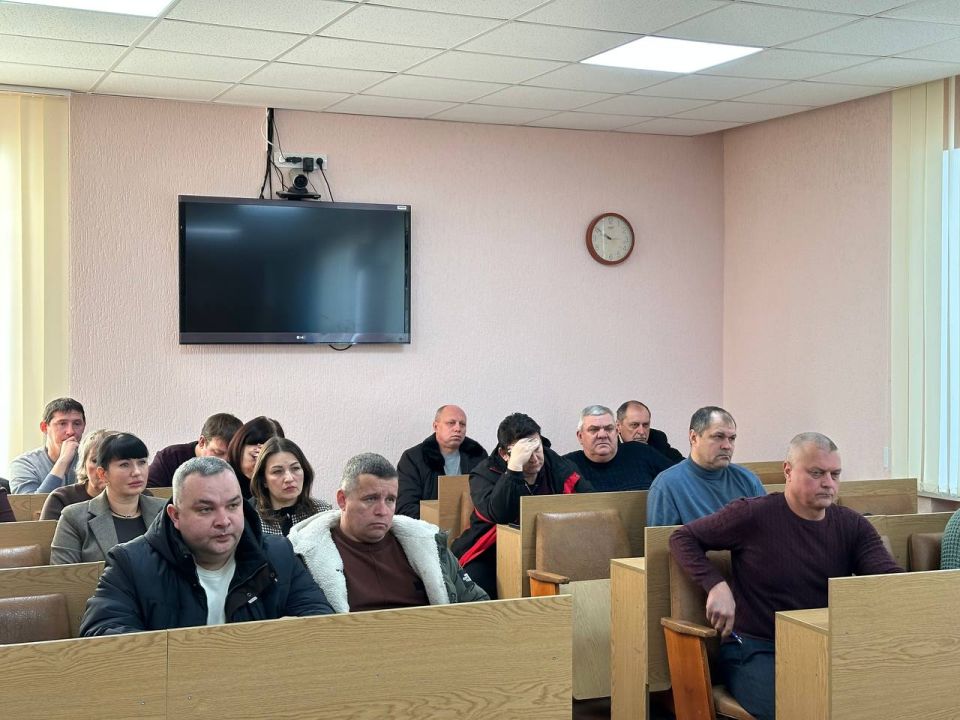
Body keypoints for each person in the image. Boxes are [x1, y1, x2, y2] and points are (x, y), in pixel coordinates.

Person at [669, 432, 902, 720]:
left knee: (880, 697)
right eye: (816, 473)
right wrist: (716, 585)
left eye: (835, 474)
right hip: (756, 648)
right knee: (797, 709)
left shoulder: (852, 525)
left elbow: (890, 580)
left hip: (824, 645)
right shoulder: (752, 514)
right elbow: (683, 538)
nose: (828, 483)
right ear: (788, 471)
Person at [79, 456, 333, 635]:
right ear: (175, 516)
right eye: (205, 509)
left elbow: (320, 620)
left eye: (233, 505)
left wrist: (288, 634)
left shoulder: (278, 554)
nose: (224, 521)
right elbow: (102, 633)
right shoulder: (130, 563)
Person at [289, 452, 488, 612]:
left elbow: (479, 605)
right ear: (342, 500)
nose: (382, 511)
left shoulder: (429, 544)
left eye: (390, 500)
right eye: (370, 499)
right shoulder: (305, 556)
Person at [451, 412, 591, 599]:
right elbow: (500, 514)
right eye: (525, 452)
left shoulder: (553, 462)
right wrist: (514, 469)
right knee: (477, 590)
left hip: (550, 545)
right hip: (491, 551)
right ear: (504, 454)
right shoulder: (483, 473)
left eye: (537, 448)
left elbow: (588, 499)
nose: (534, 458)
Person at [51, 432, 167, 564]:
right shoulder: (74, 517)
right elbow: (64, 574)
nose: (137, 472)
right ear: (103, 474)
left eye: (142, 462)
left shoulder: (165, 511)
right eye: (124, 464)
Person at [647, 406, 766, 526]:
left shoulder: (747, 479)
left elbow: (768, 529)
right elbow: (661, 537)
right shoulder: (667, 485)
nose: (727, 446)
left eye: (732, 438)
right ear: (693, 437)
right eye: (718, 437)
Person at [396, 404, 487, 519]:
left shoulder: (478, 456)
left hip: (471, 526)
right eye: (451, 423)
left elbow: (488, 500)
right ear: (436, 426)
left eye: (462, 424)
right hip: (428, 527)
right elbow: (405, 507)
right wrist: (438, 522)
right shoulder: (412, 459)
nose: (458, 428)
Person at [564, 405, 674, 492]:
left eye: (608, 429)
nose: (602, 435)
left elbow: (678, 478)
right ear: (580, 436)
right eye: (594, 429)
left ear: (617, 432)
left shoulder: (640, 452)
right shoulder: (567, 466)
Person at [250, 437, 332, 536]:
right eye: (277, 471)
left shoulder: (323, 512)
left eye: (295, 468)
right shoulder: (251, 519)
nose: (289, 478)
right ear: (263, 480)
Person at [9, 397, 86, 494]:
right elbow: (31, 503)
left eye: (77, 424)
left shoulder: (92, 459)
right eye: (62, 423)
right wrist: (63, 461)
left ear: (84, 426)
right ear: (44, 427)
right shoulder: (24, 464)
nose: (70, 431)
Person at [147, 412, 242, 487]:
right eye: (218, 452)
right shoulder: (169, 457)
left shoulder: (240, 462)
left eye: (232, 454)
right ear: (202, 442)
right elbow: (148, 494)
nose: (225, 460)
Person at [40, 428, 112, 522]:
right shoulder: (61, 499)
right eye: (95, 461)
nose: (102, 469)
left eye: (112, 462)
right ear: (84, 464)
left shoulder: (130, 501)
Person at [226, 416, 284, 499]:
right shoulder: (221, 475)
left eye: (266, 460)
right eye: (255, 456)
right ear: (239, 447)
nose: (259, 466)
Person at [616, 400, 684, 462]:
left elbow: (682, 465)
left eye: (645, 425)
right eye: (634, 425)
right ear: (618, 426)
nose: (642, 432)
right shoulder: (611, 445)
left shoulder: (657, 439)